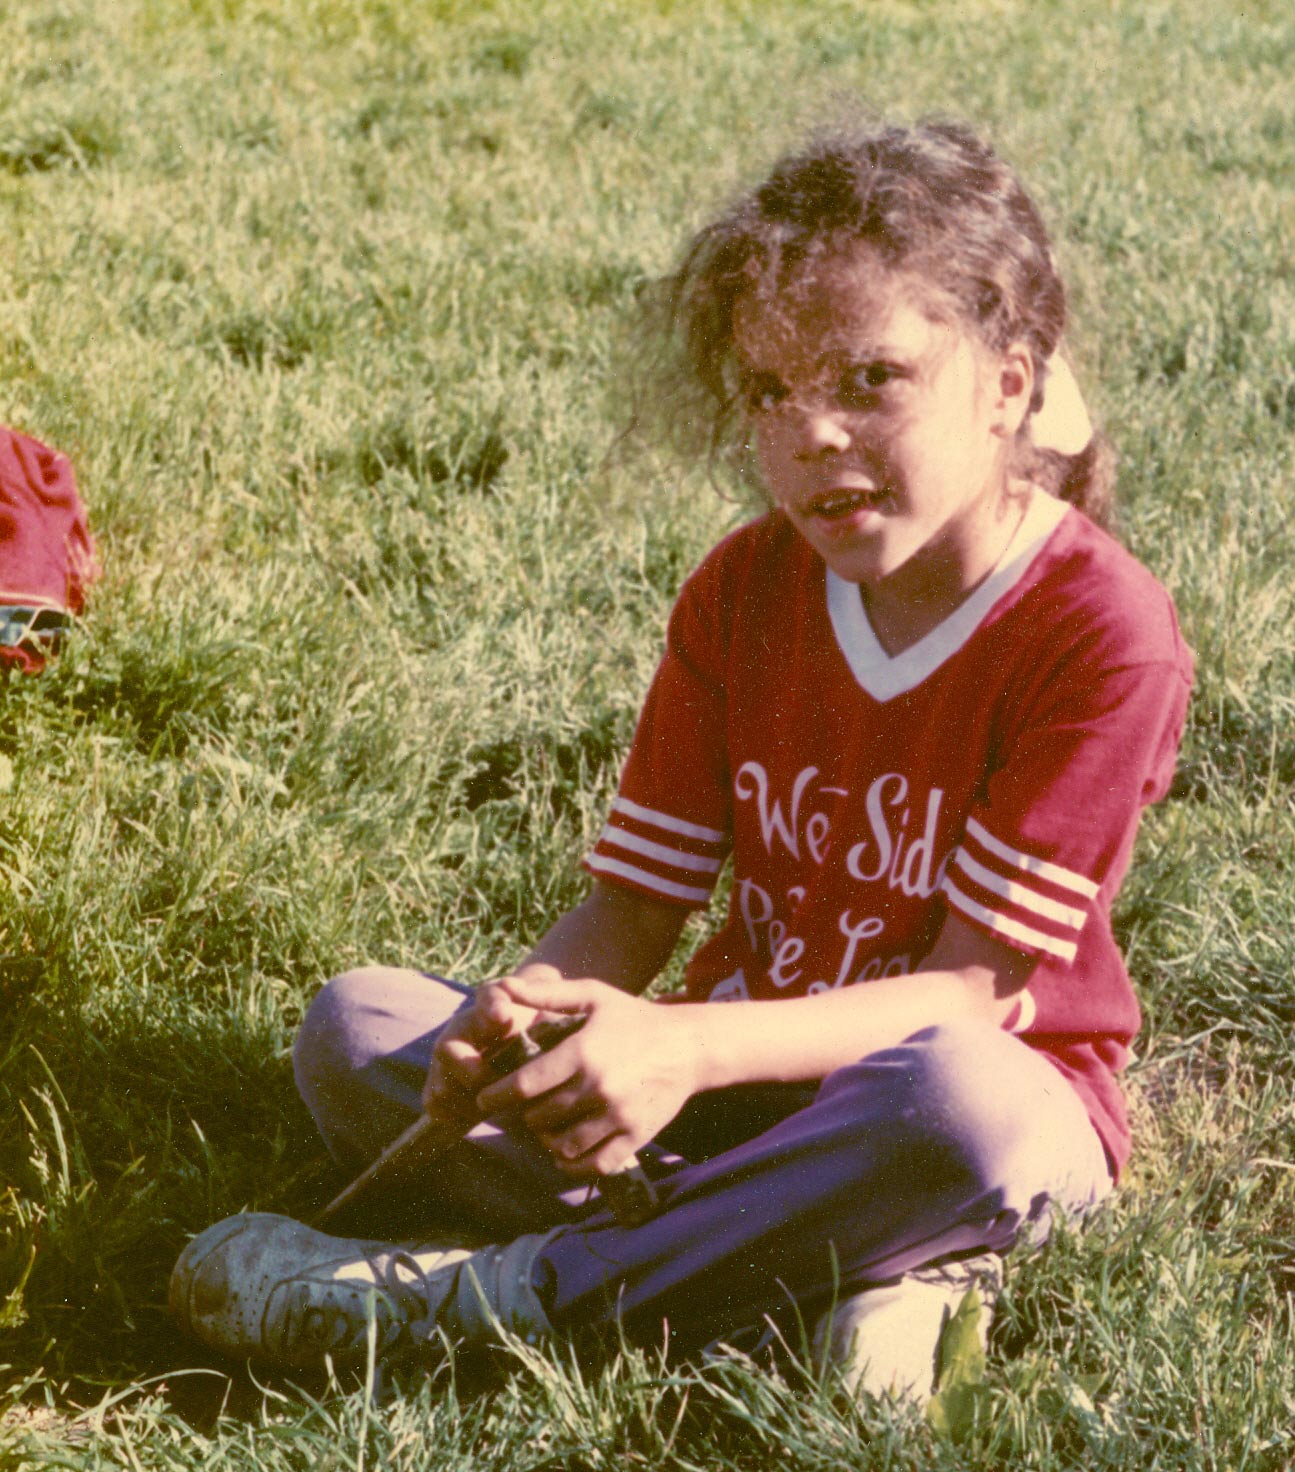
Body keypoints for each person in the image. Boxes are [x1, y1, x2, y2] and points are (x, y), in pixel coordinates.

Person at [170, 119, 1194, 1400]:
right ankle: (833, 1267)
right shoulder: (744, 587)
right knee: (357, 1029)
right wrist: (532, 1007)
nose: (810, 432)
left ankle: (503, 1299)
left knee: (960, 1113)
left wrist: (680, 1052)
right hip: (733, 1097)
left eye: (869, 378)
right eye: (770, 392)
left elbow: (968, 997)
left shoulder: (1099, 631)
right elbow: (636, 904)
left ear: (1007, 382)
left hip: (975, 1096)